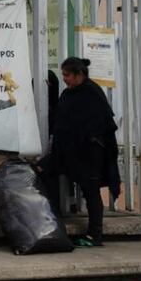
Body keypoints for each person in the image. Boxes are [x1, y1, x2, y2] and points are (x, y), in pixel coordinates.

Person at [44, 56, 120, 247]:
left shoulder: (92, 94)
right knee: (48, 172)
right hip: (70, 151)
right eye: (63, 75)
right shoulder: (68, 94)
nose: (64, 79)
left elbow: (101, 126)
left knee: (91, 190)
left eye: (67, 75)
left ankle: (95, 235)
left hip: (90, 153)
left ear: (79, 75)